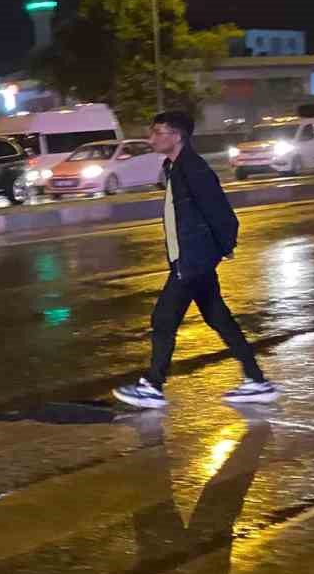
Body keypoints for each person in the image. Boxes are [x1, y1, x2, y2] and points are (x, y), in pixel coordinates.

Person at [113, 110, 276, 408]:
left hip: (192, 261)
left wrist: (221, 248)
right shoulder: (175, 168)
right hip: (191, 259)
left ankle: (153, 385)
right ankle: (257, 381)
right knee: (219, 319)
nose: (152, 138)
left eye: (158, 132)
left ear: (176, 136)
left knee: (163, 319)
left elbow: (222, 213)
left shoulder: (193, 169)